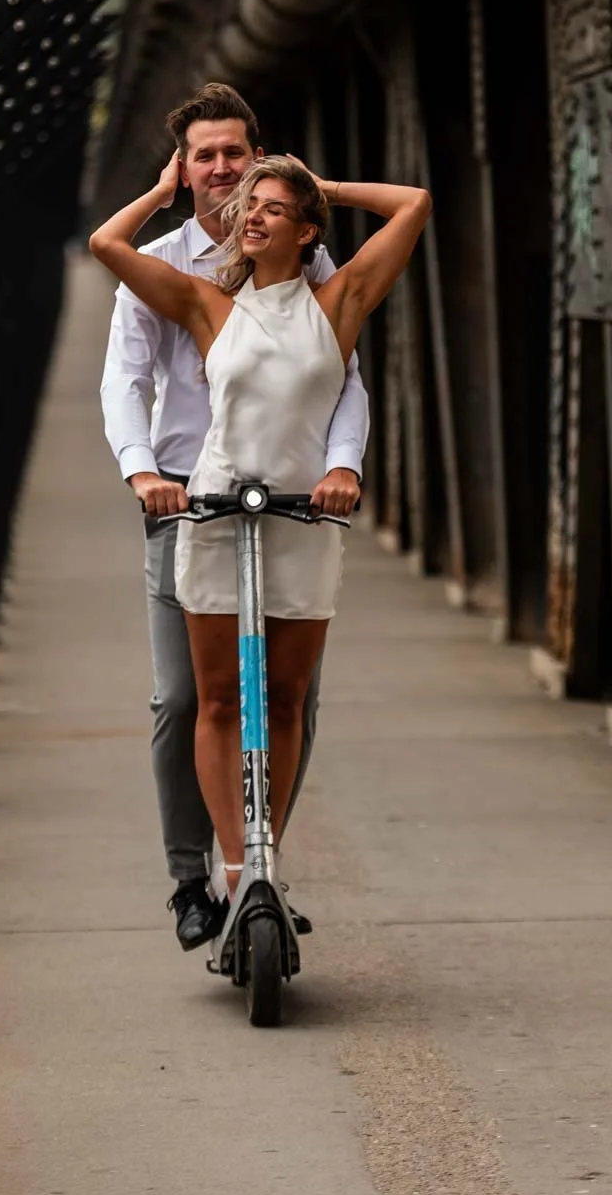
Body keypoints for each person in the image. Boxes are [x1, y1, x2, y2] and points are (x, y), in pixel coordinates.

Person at [90, 149, 431, 912]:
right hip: (212, 514)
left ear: (307, 231)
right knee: (214, 701)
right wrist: (159, 193)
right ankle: (240, 872)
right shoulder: (210, 305)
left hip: (303, 520)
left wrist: (326, 186)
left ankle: (265, 854)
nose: (253, 216)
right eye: (249, 206)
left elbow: (412, 204)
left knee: (283, 699)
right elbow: (107, 248)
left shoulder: (337, 304)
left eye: (273, 209)